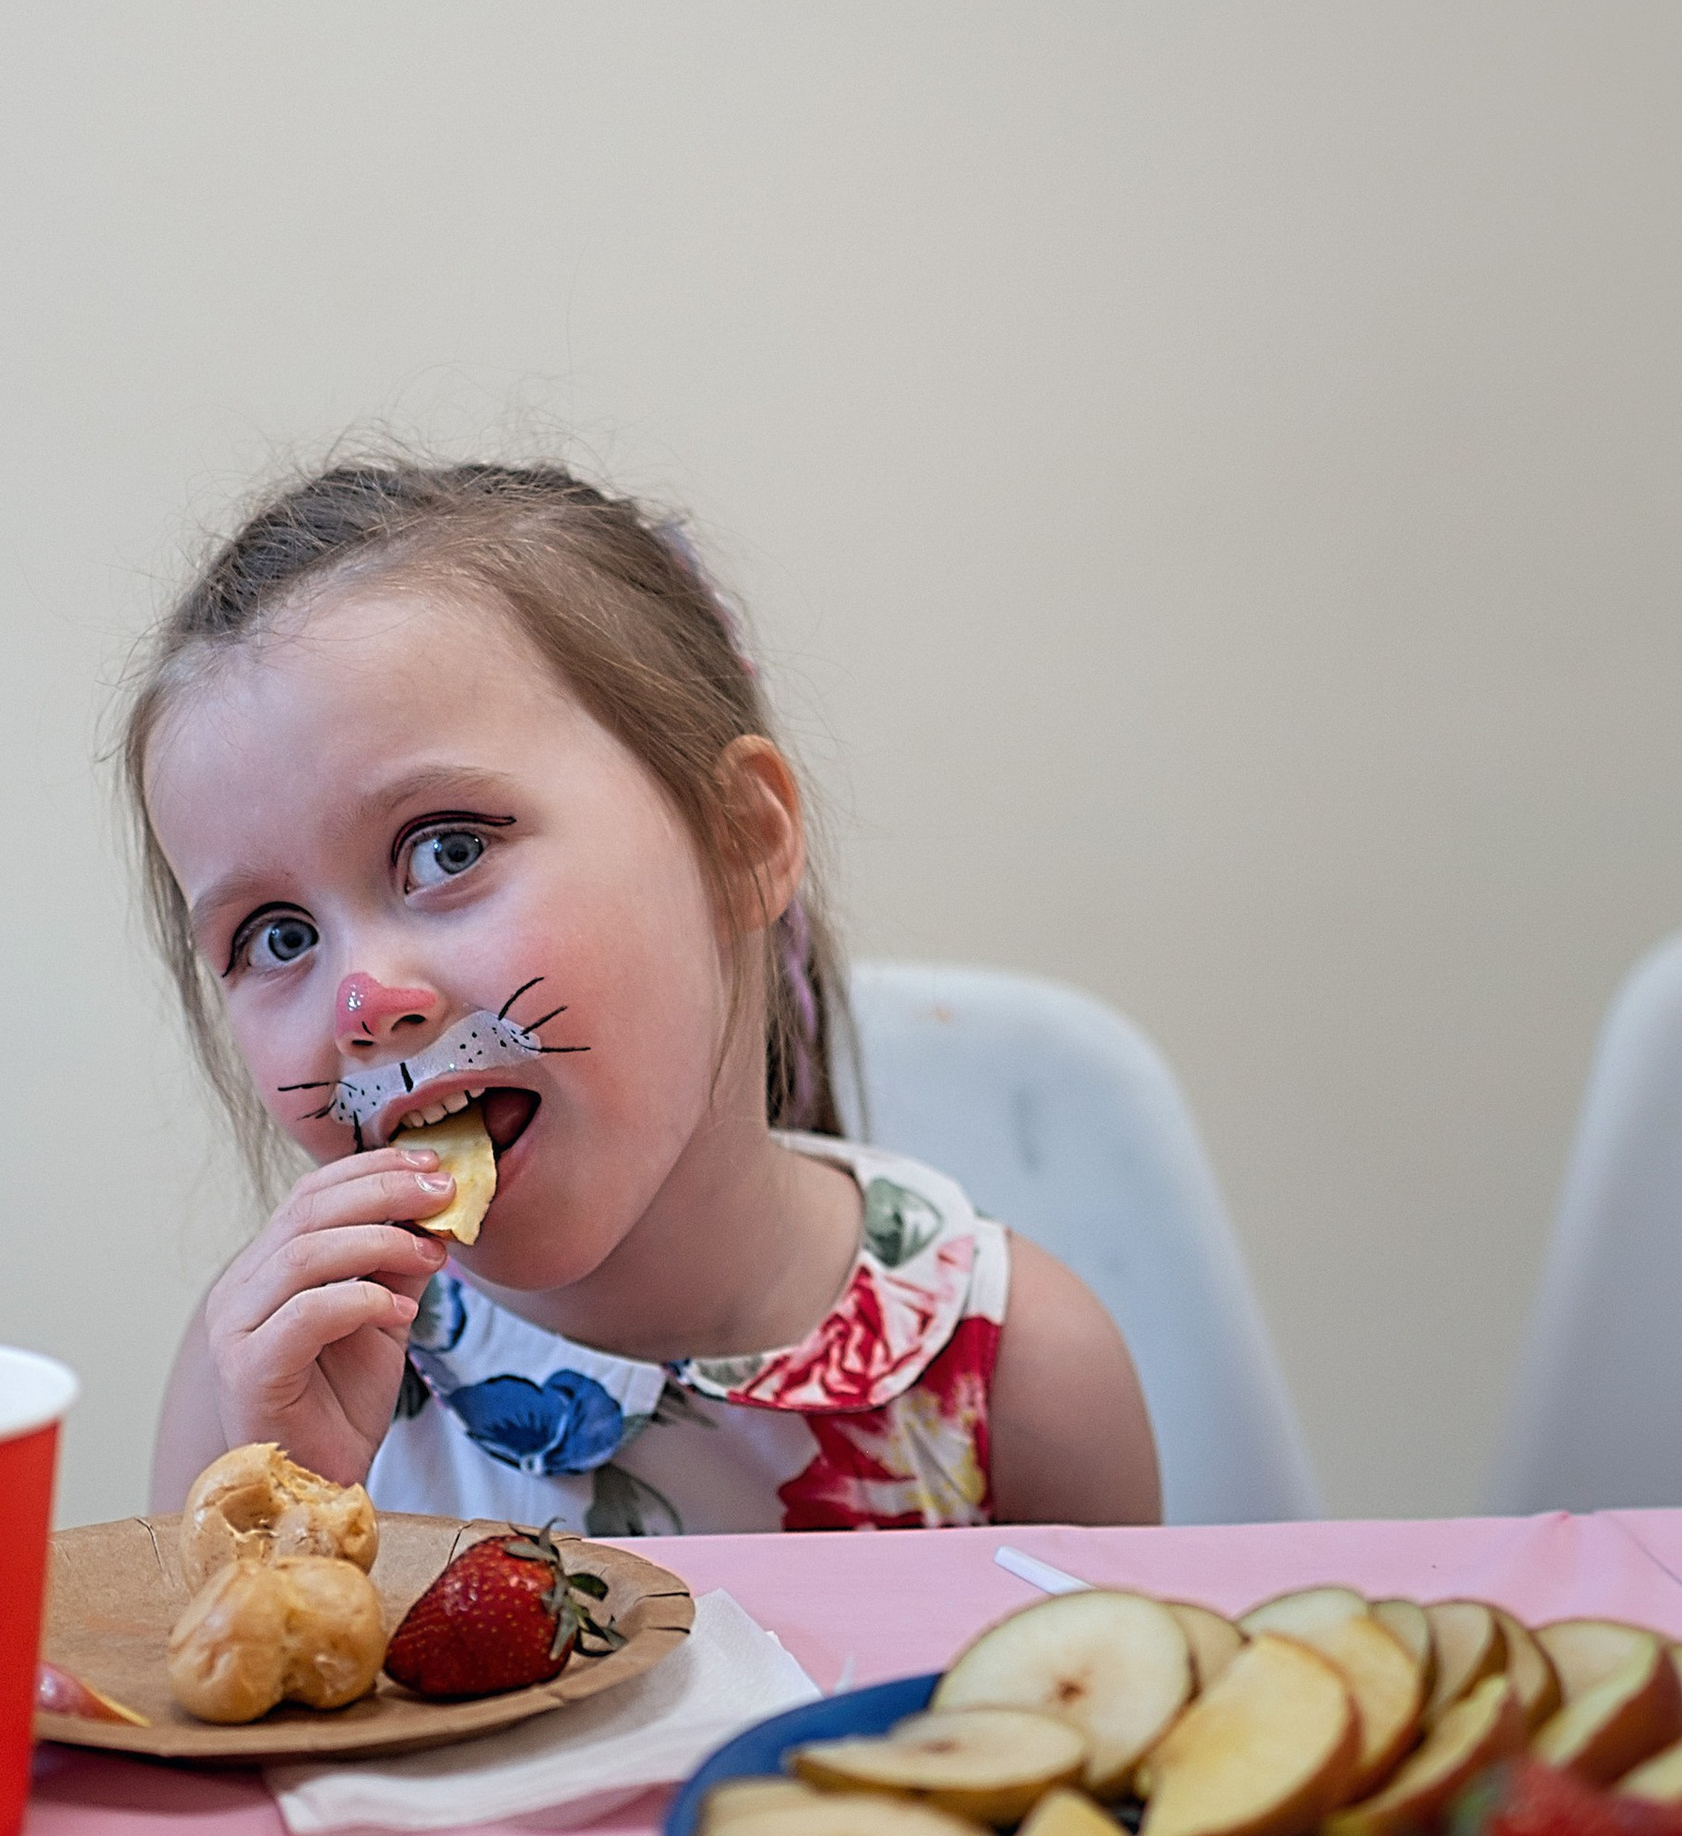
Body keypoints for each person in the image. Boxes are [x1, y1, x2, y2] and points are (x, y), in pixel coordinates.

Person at [128, 457, 1160, 1539]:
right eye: (277, 936)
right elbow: (197, 1690)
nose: (364, 1002)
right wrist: (285, 1513)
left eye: (446, 849)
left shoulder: (1022, 1378)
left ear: (737, 843)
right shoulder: (254, 1386)